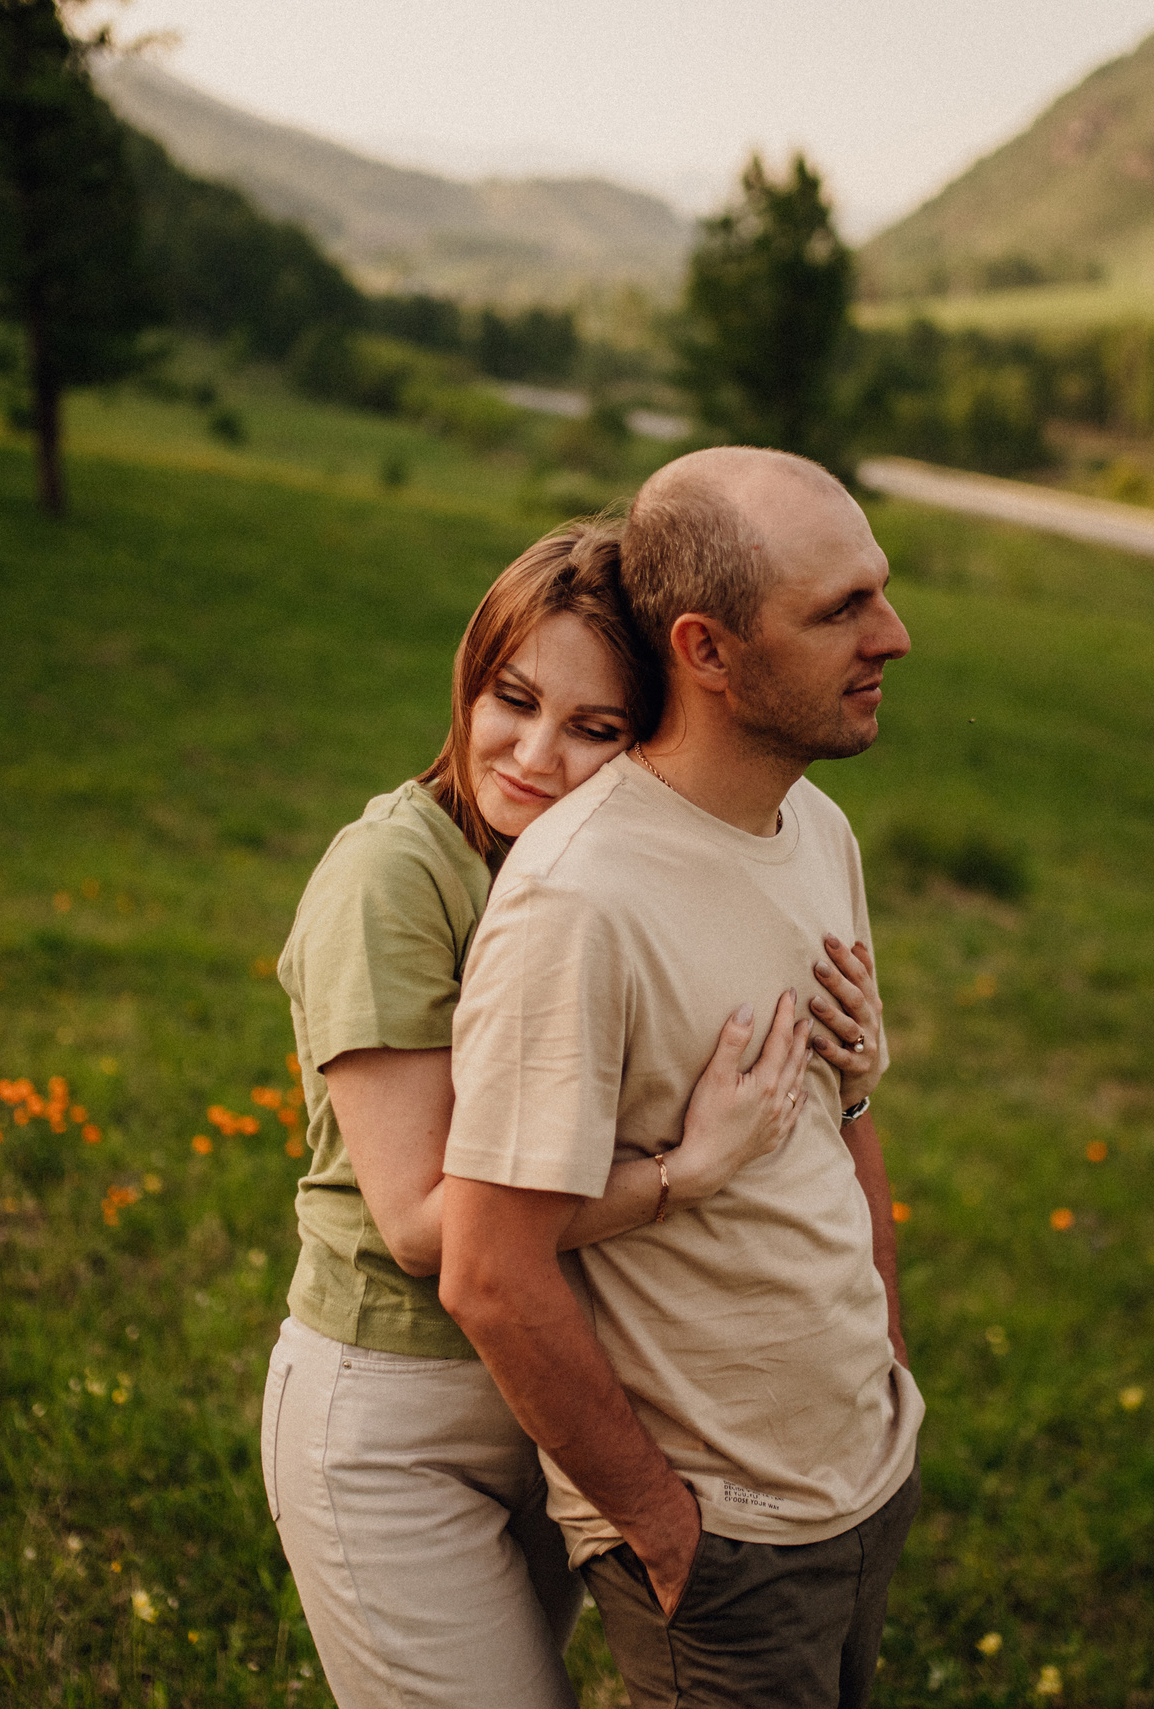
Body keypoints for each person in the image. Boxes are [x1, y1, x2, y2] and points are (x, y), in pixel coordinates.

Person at [265, 516, 881, 1709]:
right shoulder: (396, 875)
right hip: (399, 1413)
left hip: (557, 1388)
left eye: (595, 728)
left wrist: (847, 1067)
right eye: (512, 698)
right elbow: (424, 1225)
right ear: (469, 677)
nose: (535, 755)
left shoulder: (605, 867)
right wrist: (681, 1173)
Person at [438, 448, 920, 1709]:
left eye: (879, 590)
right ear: (705, 648)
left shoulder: (817, 826)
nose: (892, 635)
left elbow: (842, 1108)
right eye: (841, 610)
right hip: (725, 1538)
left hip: (862, 1475)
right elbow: (489, 1268)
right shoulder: (576, 898)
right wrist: (661, 1524)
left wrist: (888, 1365)